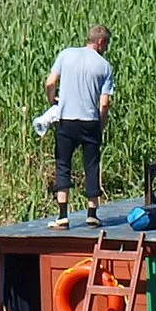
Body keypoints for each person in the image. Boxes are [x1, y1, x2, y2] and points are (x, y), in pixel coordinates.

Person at [44, 25, 114, 228]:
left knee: (63, 164)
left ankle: (63, 216)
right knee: (91, 166)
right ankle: (92, 214)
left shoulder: (66, 54)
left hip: (67, 120)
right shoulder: (104, 66)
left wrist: (53, 101)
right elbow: (105, 103)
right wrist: (100, 125)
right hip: (89, 120)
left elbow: (50, 82)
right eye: (106, 44)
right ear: (101, 42)